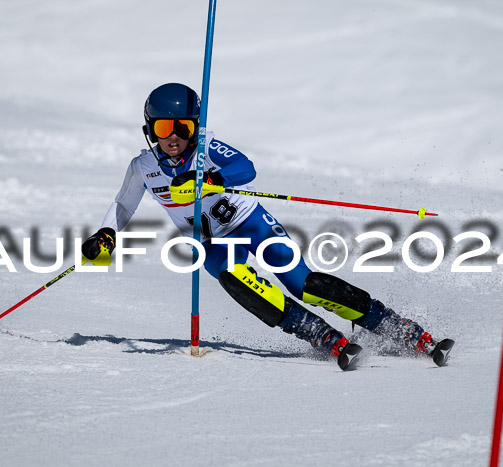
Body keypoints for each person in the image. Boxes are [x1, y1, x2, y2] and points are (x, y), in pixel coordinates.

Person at [82, 83, 454, 370]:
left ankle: (396, 327)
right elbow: (122, 204)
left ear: (195, 125)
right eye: (165, 127)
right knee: (237, 280)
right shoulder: (142, 167)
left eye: (183, 126)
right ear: (151, 129)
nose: (174, 136)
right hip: (209, 242)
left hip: (249, 222)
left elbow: (246, 168)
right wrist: (106, 234)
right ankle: (321, 336)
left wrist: (210, 176)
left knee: (304, 284)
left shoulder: (207, 146)